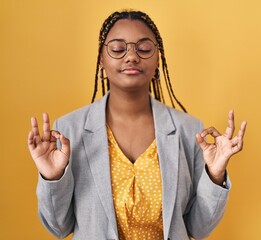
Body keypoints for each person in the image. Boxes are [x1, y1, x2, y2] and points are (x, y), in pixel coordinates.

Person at [27, 10, 247, 240]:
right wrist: (52, 178)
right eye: (118, 48)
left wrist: (215, 175)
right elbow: (59, 228)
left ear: (157, 58)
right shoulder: (68, 130)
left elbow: (198, 228)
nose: (131, 56)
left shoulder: (189, 131)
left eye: (143, 48)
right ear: (101, 59)